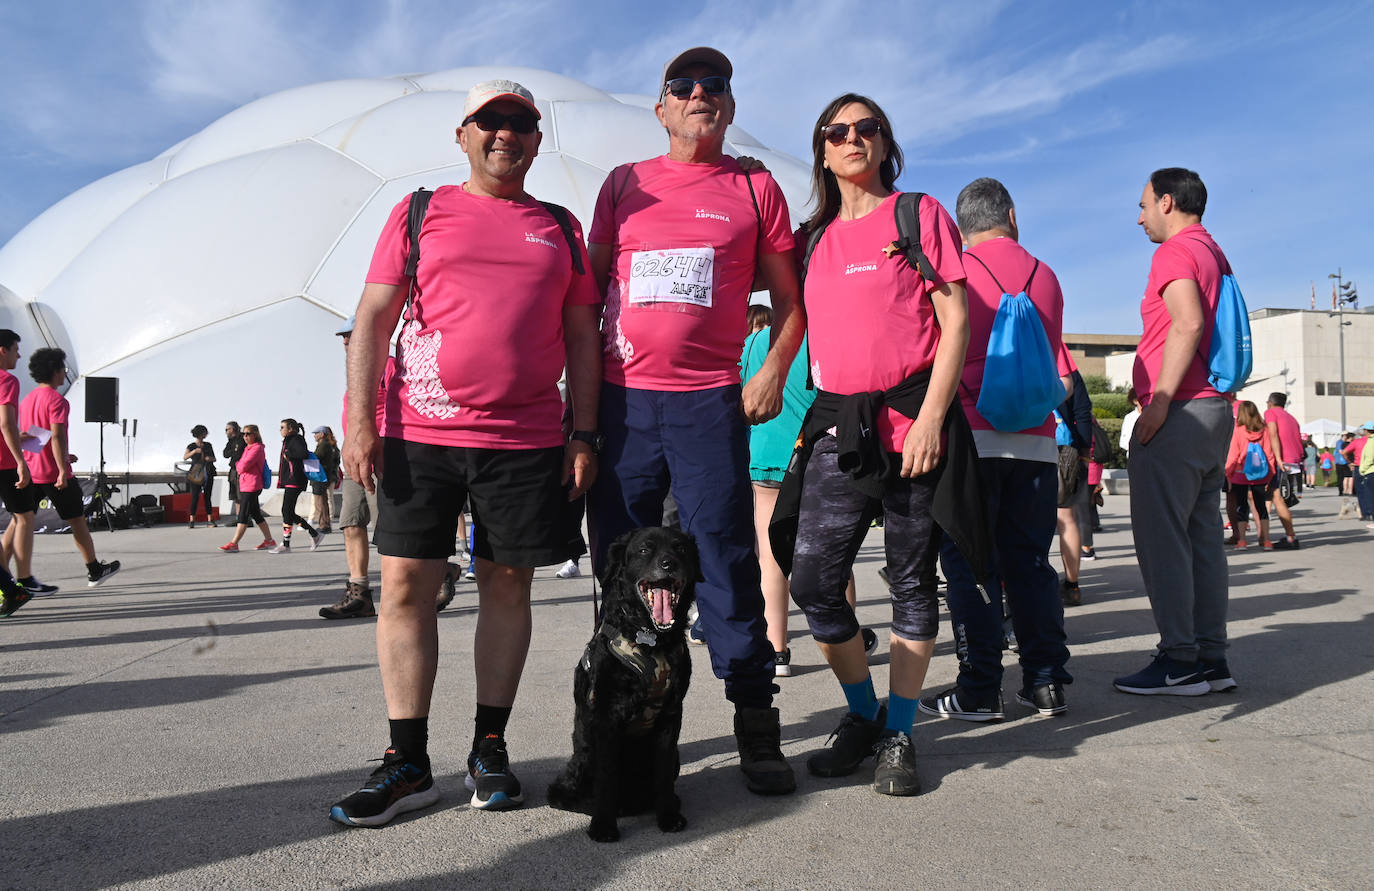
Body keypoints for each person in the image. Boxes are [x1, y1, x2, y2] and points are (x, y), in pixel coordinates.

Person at [331, 79, 601, 827]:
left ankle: (490, 748)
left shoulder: (560, 226)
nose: (505, 134)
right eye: (491, 121)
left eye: (521, 123)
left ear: (537, 141)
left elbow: (582, 335)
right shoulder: (420, 211)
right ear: (463, 135)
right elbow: (373, 316)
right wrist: (360, 422)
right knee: (406, 589)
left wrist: (584, 432)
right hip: (420, 432)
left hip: (525, 439)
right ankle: (407, 761)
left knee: (508, 586)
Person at [585, 47, 804, 796]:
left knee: (724, 556)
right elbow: (586, 296)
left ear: (731, 109)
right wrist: (579, 408)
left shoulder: (754, 186)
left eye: (715, 86)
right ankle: (619, 718)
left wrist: (771, 369)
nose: (700, 94)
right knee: (620, 561)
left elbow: (790, 301)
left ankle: (754, 720)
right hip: (624, 401)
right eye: (683, 86)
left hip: (709, 400)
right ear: (662, 108)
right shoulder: (625, 184)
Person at [785, 92, 970, 796]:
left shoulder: (918, 214)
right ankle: (863, 712)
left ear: (885, 143)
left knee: (911, 581)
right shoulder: (814, 239)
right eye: (838, 131)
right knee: (811, 579)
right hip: (842, 432)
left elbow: (956, 322)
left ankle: (900, 731)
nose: (853, 138)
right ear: (823, 150)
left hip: (912, 425)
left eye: (868, 129)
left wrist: (930, 417)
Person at [919, 176, 1072, 723]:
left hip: (972, 437)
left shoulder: (956, 271)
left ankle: (980, 689)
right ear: (1011, 213)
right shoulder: (1046, 276)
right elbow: (1058, 364)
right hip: (1035, 441)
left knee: (970, 567)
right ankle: (1047, 681)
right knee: (1031, 564)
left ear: (961, 225)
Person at [1113, 167, 1236, 697]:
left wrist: (1158, 402)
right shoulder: (1212, 251)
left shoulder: (1176, 251)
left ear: (1167, 201)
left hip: (1181, 411)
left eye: (1143, 205)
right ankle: (1210, 658)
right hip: (1213, 410)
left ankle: (1179, 660)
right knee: (1203, 540)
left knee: (1164, 542)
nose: (1139, 217)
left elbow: (1185, 322)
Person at [17, 348, 120, 587]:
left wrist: (63, 454)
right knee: (77, 521)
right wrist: (62, 467)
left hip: (32, 469)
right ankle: (94, 569)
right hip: (54, 474)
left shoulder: (28, 399)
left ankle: (12, 577)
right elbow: (56, 435)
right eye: (63, 368)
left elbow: (32, 435)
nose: (65, 373)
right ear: (55, 371)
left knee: (20, 521)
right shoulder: (57, 400)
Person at [319, 316, 394, 620]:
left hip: (381, 453)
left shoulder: (388, 365)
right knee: (351, 523)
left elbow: (401, 404)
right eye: (344, 337)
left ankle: (404, 590)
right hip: (353, 460)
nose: (346, 341)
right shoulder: (354, 375)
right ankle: (359, 593)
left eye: (351, 335)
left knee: (388, 529)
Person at [0, 329, 58, 597]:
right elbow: (6, 423)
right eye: (15, 349)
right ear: (3, 350)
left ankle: (6, 581)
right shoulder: (7, 380)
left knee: (18, 517)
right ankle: (23, 578)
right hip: (4, 463)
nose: (18, 355)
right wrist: (20, 461)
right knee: (24, 517)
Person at [1054, 370, 1092, 605]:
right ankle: (1072, 584)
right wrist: (1085, 450)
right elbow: (1082, 413)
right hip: (1066, 451)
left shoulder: (1020, 353)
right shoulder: (1069, 370)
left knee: (1023, 519)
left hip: (1027, 444)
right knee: (1067, 518)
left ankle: (1027, 581)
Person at [1225, 401, 1276, 549]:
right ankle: (1266, 540)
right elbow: (1269, 453)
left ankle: (1242, 540)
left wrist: (1228, 473)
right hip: (1260, 474)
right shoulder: (1264, 430)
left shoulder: (1238, 430)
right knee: (1261, 507)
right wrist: (1270, 474)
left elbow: (1233, 455)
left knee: (1241, 506)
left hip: (1240, 474)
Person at [218, 424, 276, 551]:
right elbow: (240, 463)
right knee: (256, 513)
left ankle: (234, 543)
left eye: (248, 433)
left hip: (252, 485)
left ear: (255, 434)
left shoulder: (257, 449)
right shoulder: (248, 448)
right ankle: (269, 540)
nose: (245, 436)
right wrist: (240, 464)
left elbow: (242, 466)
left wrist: (239, 465)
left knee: (243, 514)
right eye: (243, 434)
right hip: (246, 484)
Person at [270, 418, 323, 554]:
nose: (280, 430)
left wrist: (289, 454)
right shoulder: (288, 440)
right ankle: (314, 534)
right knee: (288, 511)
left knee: (286, 510)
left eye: (283, 427)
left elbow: (302, 453)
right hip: (290, 480)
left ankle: (286, 544)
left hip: (296, 480)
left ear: (291, 429)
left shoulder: (297, 439)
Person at [1263, 393, 1302, 548]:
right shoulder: (1291, 418)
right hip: (1293, 460)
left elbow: (1273, 434)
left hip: (1282, 461)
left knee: (1277, 497)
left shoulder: (1270, 413)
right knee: (1277, 496)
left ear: (1270, 403)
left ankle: (1291, 537)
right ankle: (1264, 534)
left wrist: (1277, 458)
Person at [183, 425, 217, 528]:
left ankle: (210, 519)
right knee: (195, 497)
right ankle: (192, 520)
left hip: (208, 471)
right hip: (196, 473)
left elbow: (214, 458)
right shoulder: (191, 446)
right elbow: (185, 457)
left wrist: (208, 458)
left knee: (208, 496)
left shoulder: (208, 445)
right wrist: (194, 452)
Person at [311, 425, 340, 533]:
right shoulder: (332, 446)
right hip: (326, 477)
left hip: (320, 477)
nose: (314, 436)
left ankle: (324, 525)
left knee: (320, 502)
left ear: (322, 434)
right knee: (323, 501)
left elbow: (316, 457)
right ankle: (325, 524)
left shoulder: (324, 445)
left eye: (316, 433)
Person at [223, 421, 246, 523]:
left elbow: (241, 452)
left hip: (242, 470)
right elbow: (225, 454)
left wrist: (236, 452)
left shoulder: (243, 438)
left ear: (232, 429)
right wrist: (234, 452)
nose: (226, 432)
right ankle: (238, 518)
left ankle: (245, 517)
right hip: (233, 469)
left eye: (227, 429)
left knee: (242, 495)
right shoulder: (231, 441)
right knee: (235, 496)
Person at [1119, 388, 1141, 456]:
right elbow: (1124, 441)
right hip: (1134, 456)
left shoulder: (1153, 416)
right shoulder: (1129, 418)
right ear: (1135, 401)